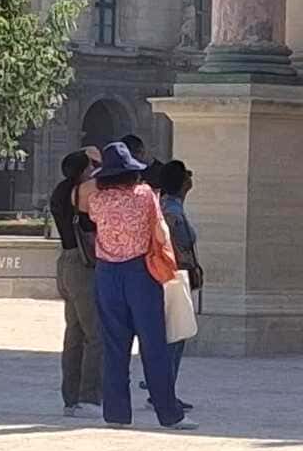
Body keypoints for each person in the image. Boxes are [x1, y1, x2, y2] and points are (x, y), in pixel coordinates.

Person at [85, 141, 198, 430]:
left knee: (114, 347)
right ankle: (168, 413)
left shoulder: (97, 200)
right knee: (154, 345)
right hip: (141, 272)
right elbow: (159, 230)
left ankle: (117, 413)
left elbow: (92, 216)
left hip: (107, 274)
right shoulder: (146, 194)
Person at [49, 150, 102, 419]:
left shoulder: (60, 190)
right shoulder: (82, 191)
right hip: (83, 266)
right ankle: (89, 397)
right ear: (83, 170)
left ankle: (71, 398)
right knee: (96, 334)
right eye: (93, 165)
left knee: (75, 333)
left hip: (66, 263)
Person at [152, 159, 202, 411]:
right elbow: (182, 241)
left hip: (165, 274)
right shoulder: (173, 211)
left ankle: (161, 385)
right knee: (176, 334)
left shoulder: (163, 205)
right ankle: (164, 388)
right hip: (174, 275)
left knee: (169, 333)